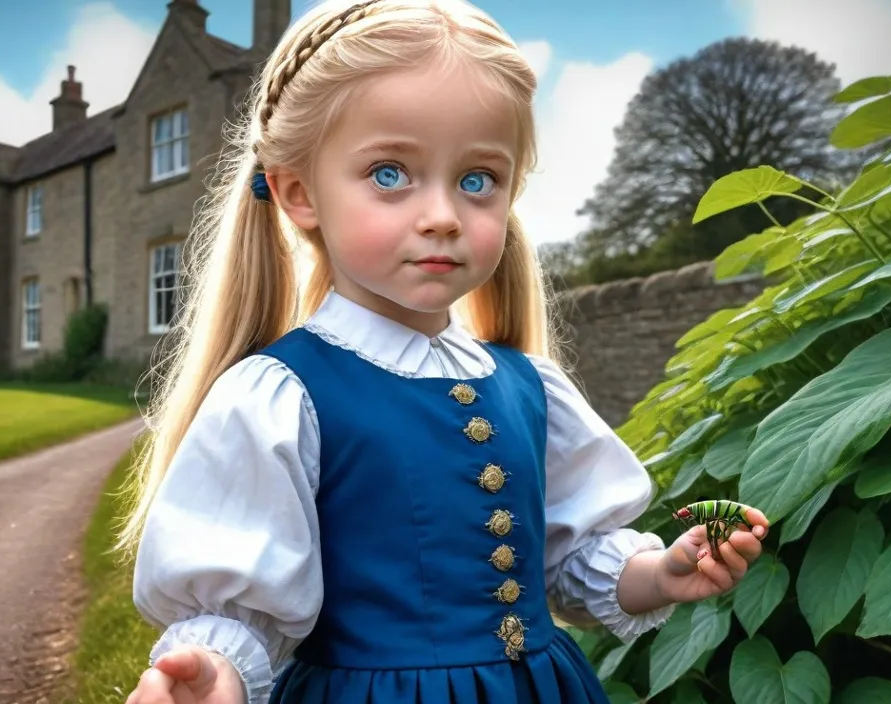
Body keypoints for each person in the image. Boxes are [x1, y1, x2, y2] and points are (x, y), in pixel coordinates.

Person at [116, 0, 769, 702]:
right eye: (390, 173)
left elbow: (571, 556)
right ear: (300, 193)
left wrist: (660, 574)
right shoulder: (281, 395)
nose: (443, 216)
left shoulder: (531, 386)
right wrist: (214, 674)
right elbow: (239, 610)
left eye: (477, 180)